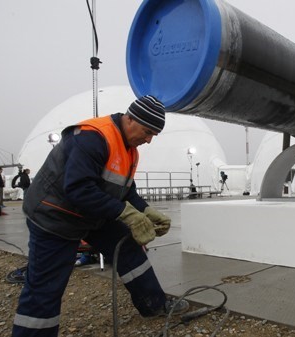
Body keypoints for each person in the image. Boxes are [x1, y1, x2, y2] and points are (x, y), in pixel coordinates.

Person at [12, 95, 189, 337]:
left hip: (89, 213)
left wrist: (145, 210)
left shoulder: (129, 148)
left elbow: (124, 189)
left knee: (128, 248)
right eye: (148, 132)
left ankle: (154, 304)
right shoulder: (93, 138)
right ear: (130, 119)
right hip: (54, 215)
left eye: (153, 136)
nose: (148, 140)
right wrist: (125, 213)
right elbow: (78, 189)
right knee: (47, 285)